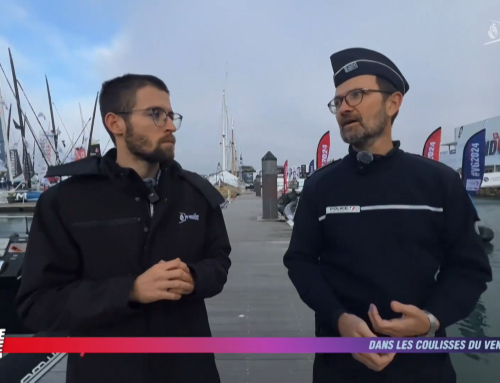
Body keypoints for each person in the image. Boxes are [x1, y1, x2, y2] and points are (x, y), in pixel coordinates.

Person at [283, 47, 492, 383]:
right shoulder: (320, 186)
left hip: (424, 369)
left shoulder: (439, 183)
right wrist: (339, 319)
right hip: (340, 366)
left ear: (393, 103)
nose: (344, 108)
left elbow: (470, 269)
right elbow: (300, 263)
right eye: (338, 101)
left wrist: (431, 319)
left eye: (356, 95)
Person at [15, 74, 232, 383]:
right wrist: (130, 291)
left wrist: (194, 278)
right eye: (156, 114)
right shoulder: (64, 202)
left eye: (171, 116)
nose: (170, 126)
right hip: (105, 371)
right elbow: (38, 304)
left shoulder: (195, 193)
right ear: (115, 123)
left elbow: (219, 262)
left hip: (189, 369)